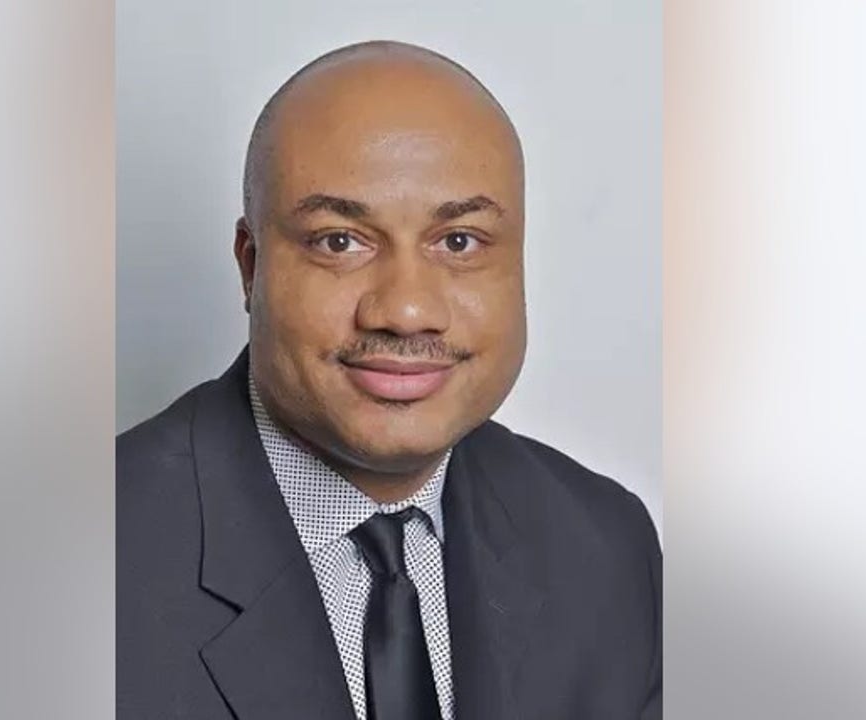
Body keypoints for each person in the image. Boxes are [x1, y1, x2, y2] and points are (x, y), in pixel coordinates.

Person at [118, 40, 662, 720]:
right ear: (251, 266)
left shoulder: (608, 547)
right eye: (339, 241)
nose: (405, 311)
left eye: (459, 241)